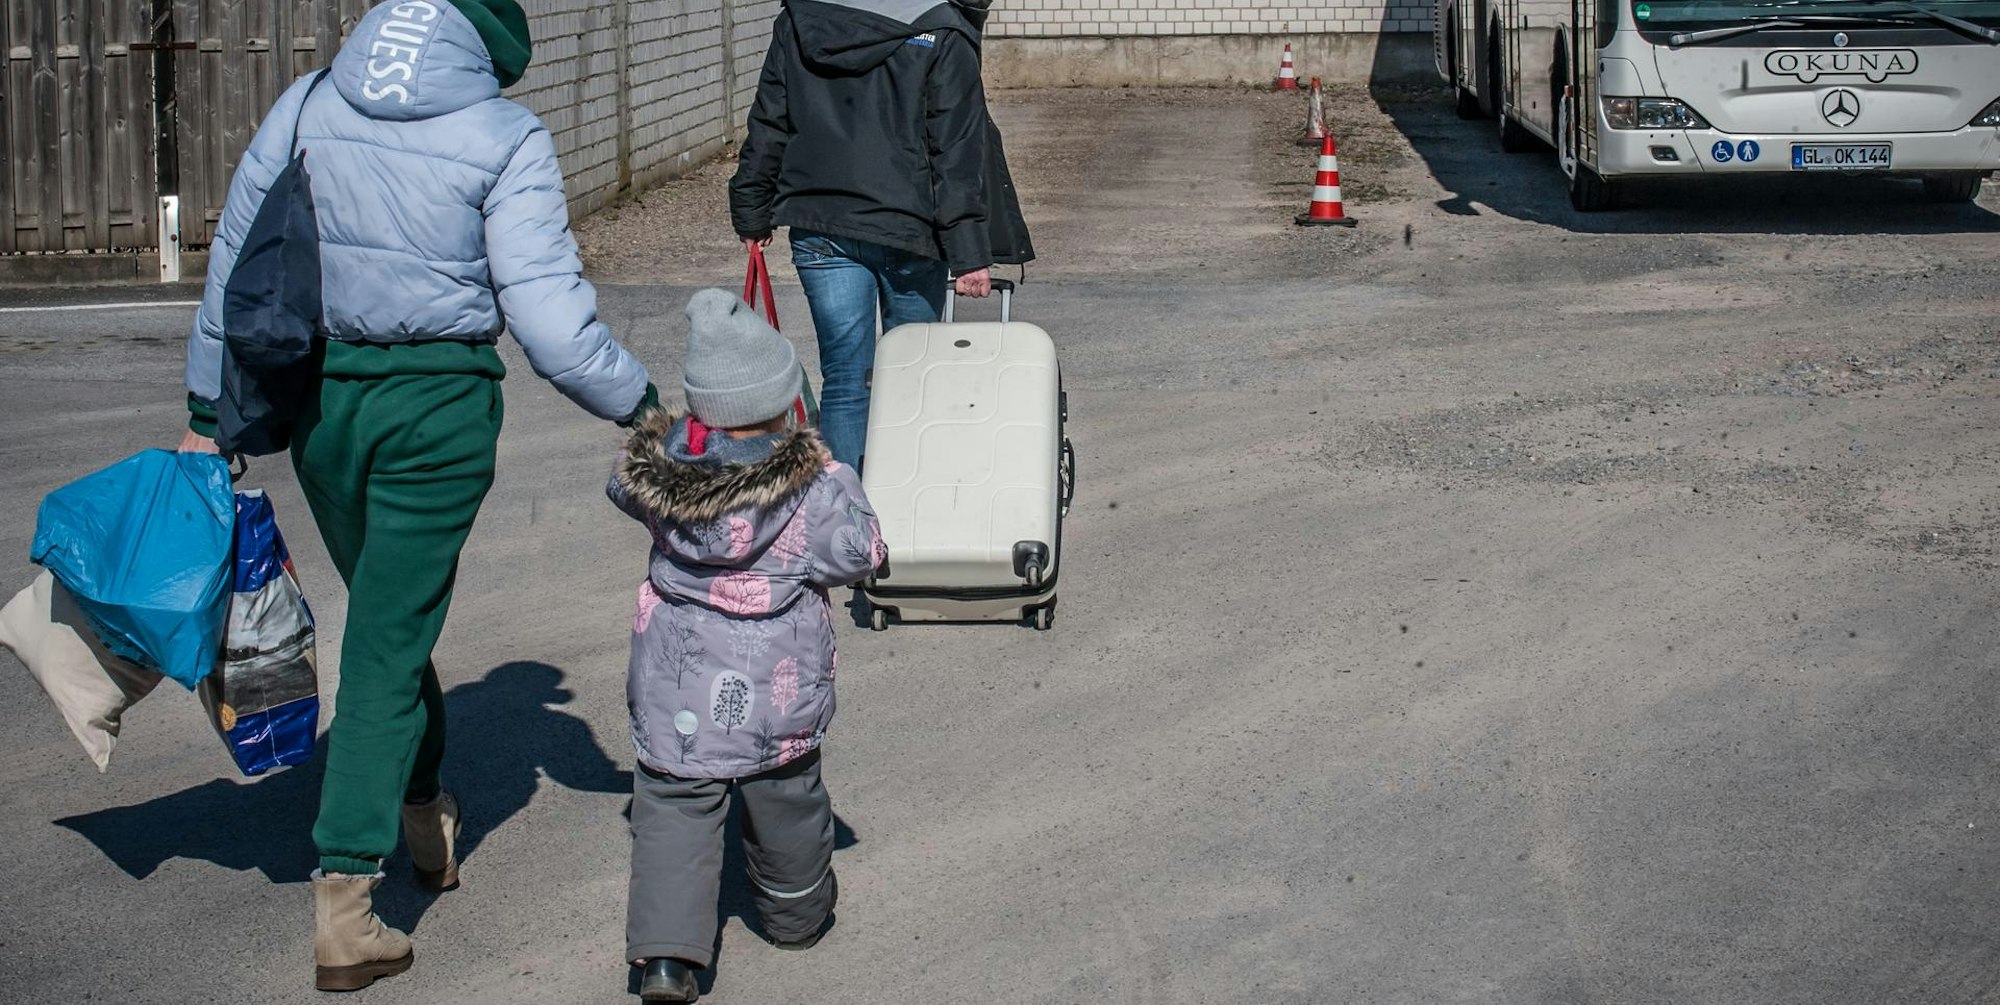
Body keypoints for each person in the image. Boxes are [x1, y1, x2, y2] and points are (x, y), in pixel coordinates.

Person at [177, 0, 655, 991]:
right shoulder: (503, 133)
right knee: (389, 641)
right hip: (437, 415)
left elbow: (235, 263)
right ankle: (348, 899)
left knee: (392, 627)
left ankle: (424, 811)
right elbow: (551, 321)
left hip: (323, 409)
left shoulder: (308, 101)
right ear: (488, 50)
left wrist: (203, 406)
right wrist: (638, 403)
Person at [608, 289, 884, 1003]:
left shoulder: (663, 470)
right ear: (784, 397)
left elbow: (622, 486)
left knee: (672, 806)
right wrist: (838, 474)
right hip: (775, 688)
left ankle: (667, 959)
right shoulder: (809, 488)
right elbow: (861, 550)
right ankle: (796, 914)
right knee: (786, 796)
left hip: (676, 683)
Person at [729, 0, 1034, 470]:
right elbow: (955, 151)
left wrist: (753, 211)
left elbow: (770, 119)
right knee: (910, 376)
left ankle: (845, 521)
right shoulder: (942, 29)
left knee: (847, 379)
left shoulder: (802, 18)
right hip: (909, 232)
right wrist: (969, 253)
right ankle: (906, 506)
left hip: (822, 226)